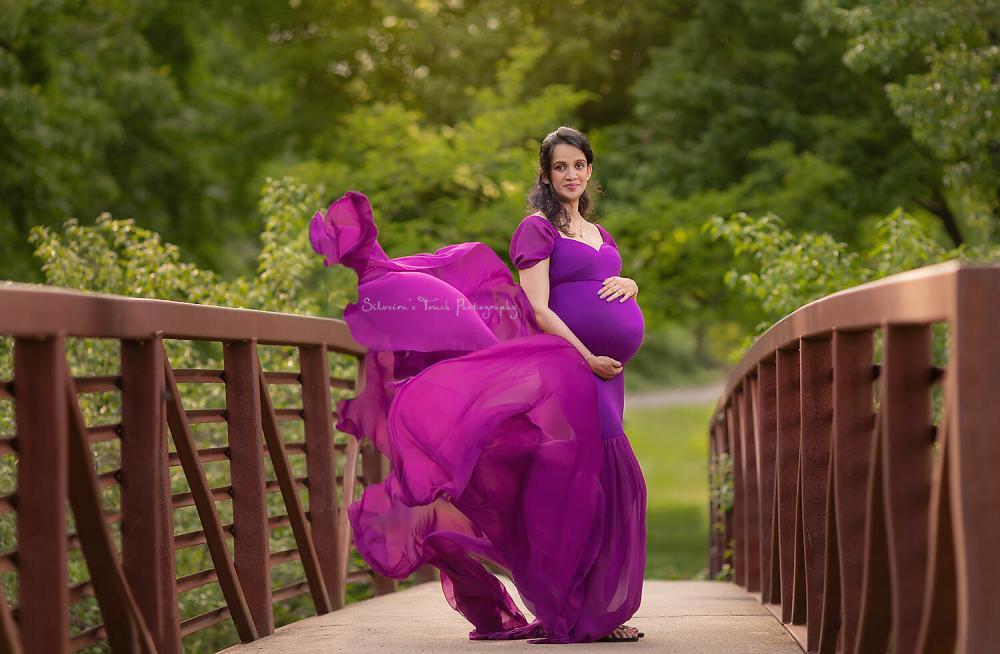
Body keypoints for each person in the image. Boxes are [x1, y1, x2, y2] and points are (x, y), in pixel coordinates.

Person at [309, 125, 647, 644]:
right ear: (546, 173)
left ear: (590, 169)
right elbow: (538, 307)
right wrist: (587, 358)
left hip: (607, 377)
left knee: (608, 488)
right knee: (593, 489)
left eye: (578, 165)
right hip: (572, 373)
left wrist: (631, 283)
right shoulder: (538, 229)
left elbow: (607, 282)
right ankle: (581, 612)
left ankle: (599, 611)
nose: (571, 175)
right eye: (560, 167)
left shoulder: (600, 234)